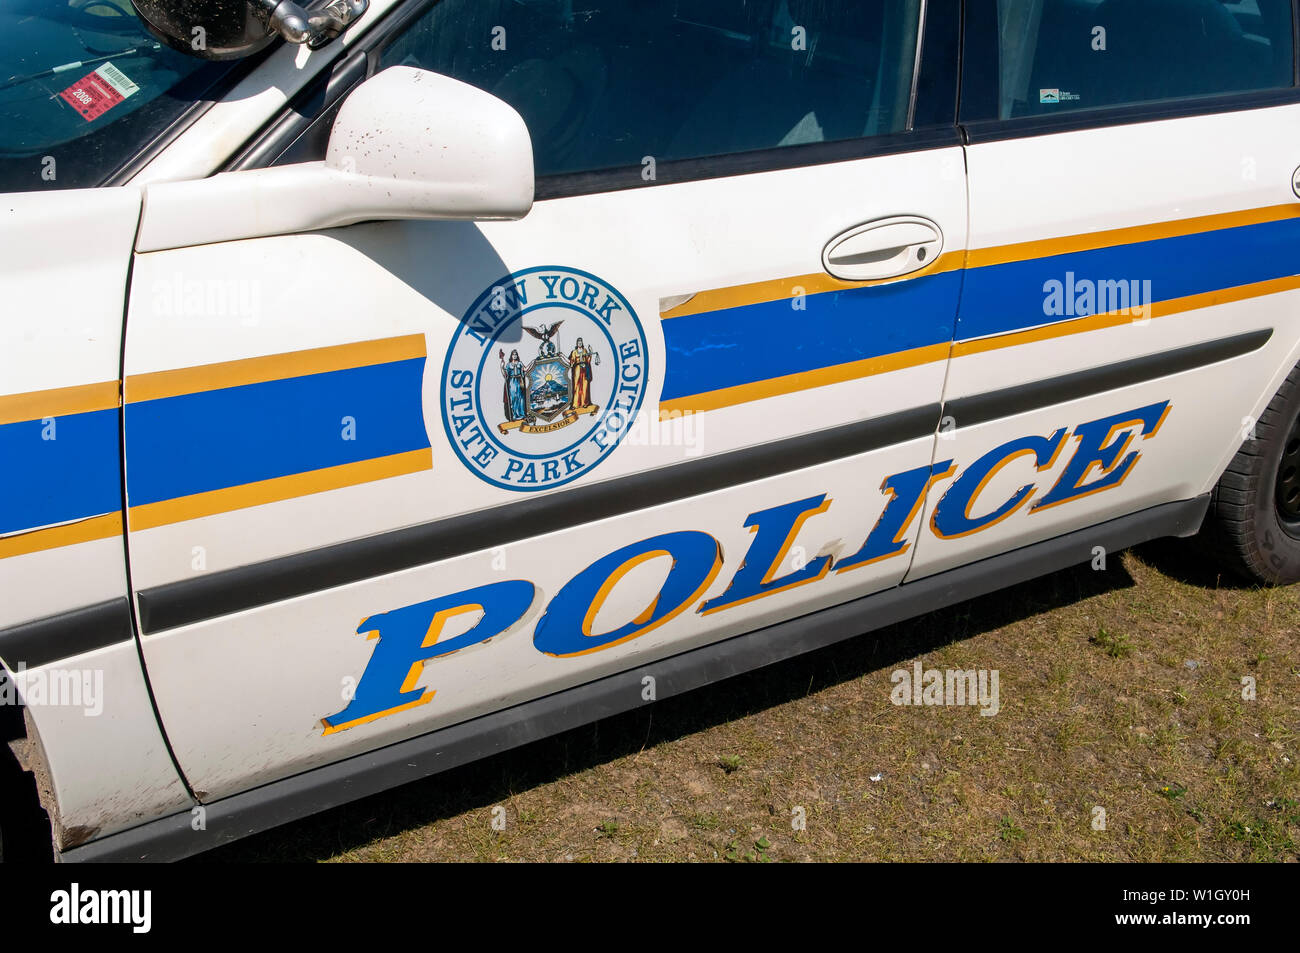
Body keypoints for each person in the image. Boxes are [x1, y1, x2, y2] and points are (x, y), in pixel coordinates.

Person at [500, 348, 526, 421]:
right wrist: (502, 367)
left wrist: (533, 363)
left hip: (519, 381)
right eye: (513, 354)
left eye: (515, 354)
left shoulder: (520, 363)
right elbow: (505, 375)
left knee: (521, 398)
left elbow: (525, 369)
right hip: (512, 382)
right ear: (511, 356)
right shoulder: (508, 365)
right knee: (514, 398)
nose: (514, 356)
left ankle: (522, 414)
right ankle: (515, 415)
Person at [569, 337, 594, 409]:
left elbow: (588, 360)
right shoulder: (574, 352)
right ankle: (575, 404)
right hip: (577, 369)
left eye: (581, 342)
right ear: (577, 343)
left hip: (584, 369)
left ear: (582, 343)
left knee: (585, 386)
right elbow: (572, 361)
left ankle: (585, 402)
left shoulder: (585, 350)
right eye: (578, 342)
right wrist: (572, 362)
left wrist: (590, 352)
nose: (580, 343)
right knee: (577, 386)